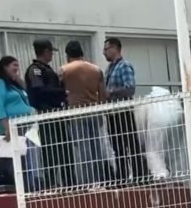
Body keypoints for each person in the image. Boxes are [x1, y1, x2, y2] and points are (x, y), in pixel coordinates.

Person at [0, 56, 41, 191]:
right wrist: (6, 127)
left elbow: (25, 93)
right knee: (16, 160)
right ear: (5, 67)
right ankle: (23, 188)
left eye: (18, 65)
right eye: (14, 65)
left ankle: (31, 186)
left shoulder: (12, 85)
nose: (17, 68)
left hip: (25, 127)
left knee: (29, 159)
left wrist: (17, 79)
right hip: (12, 128)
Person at [25, 39, 74, 188]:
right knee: (51, 151)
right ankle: (51, 184)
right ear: (46, 51)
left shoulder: (47, 69)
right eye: (51, 52)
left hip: (57, 114)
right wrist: (62, 92)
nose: (52, 55)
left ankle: (69, 184)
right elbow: (39, 90)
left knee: (65, 151)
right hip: (47, 115)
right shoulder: (36, 70)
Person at [60, 40, 108, 186]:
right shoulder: (96, 70)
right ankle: (99, 181)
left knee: (83, 149)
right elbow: (103, 94)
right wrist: (100, 110)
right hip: (94, 111)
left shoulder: (64, 70)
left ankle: (88, 182)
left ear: (67, 55)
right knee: (96, 147)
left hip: (75, 113)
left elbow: (60, 93)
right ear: (82, 53)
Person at [103, 37, 147, 185]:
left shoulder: (124, 66)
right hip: (112, 114)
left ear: (115, 48)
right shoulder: (109, 69)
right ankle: (122, 179)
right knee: (118, 148)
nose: (104, 53)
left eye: (106, 49)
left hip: (123, 113)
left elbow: (130, 88)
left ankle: (139, 178)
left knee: (131, 146)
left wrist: (111, 92)